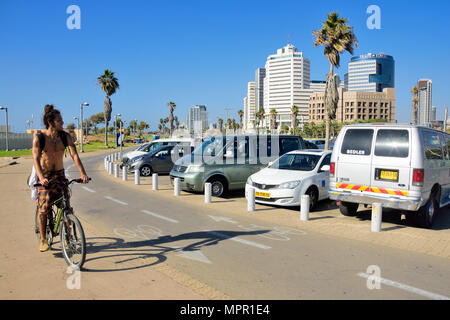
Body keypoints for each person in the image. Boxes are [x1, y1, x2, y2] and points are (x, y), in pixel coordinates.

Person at [32, 105, 89, 252]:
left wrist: (83, 174)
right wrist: (41, 177)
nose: (62, 123)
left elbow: (74, 154)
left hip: (60, 175)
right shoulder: (40, 138)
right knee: (44, 209)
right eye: (59, 120)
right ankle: (44, 239)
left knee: (67, 208)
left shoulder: (65, 136)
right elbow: (35, 159)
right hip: (45, 176)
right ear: (51, 122)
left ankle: (67, 236)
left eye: (62, 120)